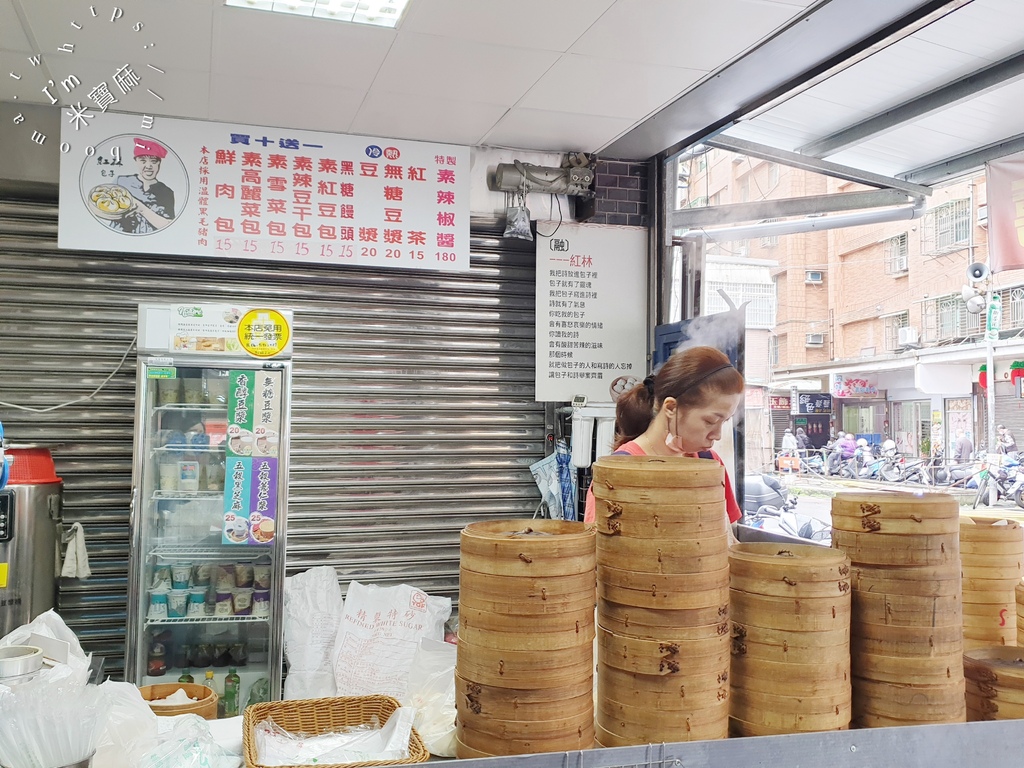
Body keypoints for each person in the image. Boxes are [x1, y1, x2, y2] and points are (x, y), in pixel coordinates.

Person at [582, 346, 744, 525]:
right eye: (711, 421)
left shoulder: (709, 463)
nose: (717, 435)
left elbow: (728, 536)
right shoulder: (618, 473)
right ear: (671, 408)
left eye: (725, 421)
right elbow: (600, 547)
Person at [109, 138, 176, 234]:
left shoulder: (166, 192)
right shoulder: (121, 181)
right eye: (143, 161)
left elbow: (168, 225)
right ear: (136, 161)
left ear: (159, 163)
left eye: (153, 161)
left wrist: (142, 209)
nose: (148, 166)